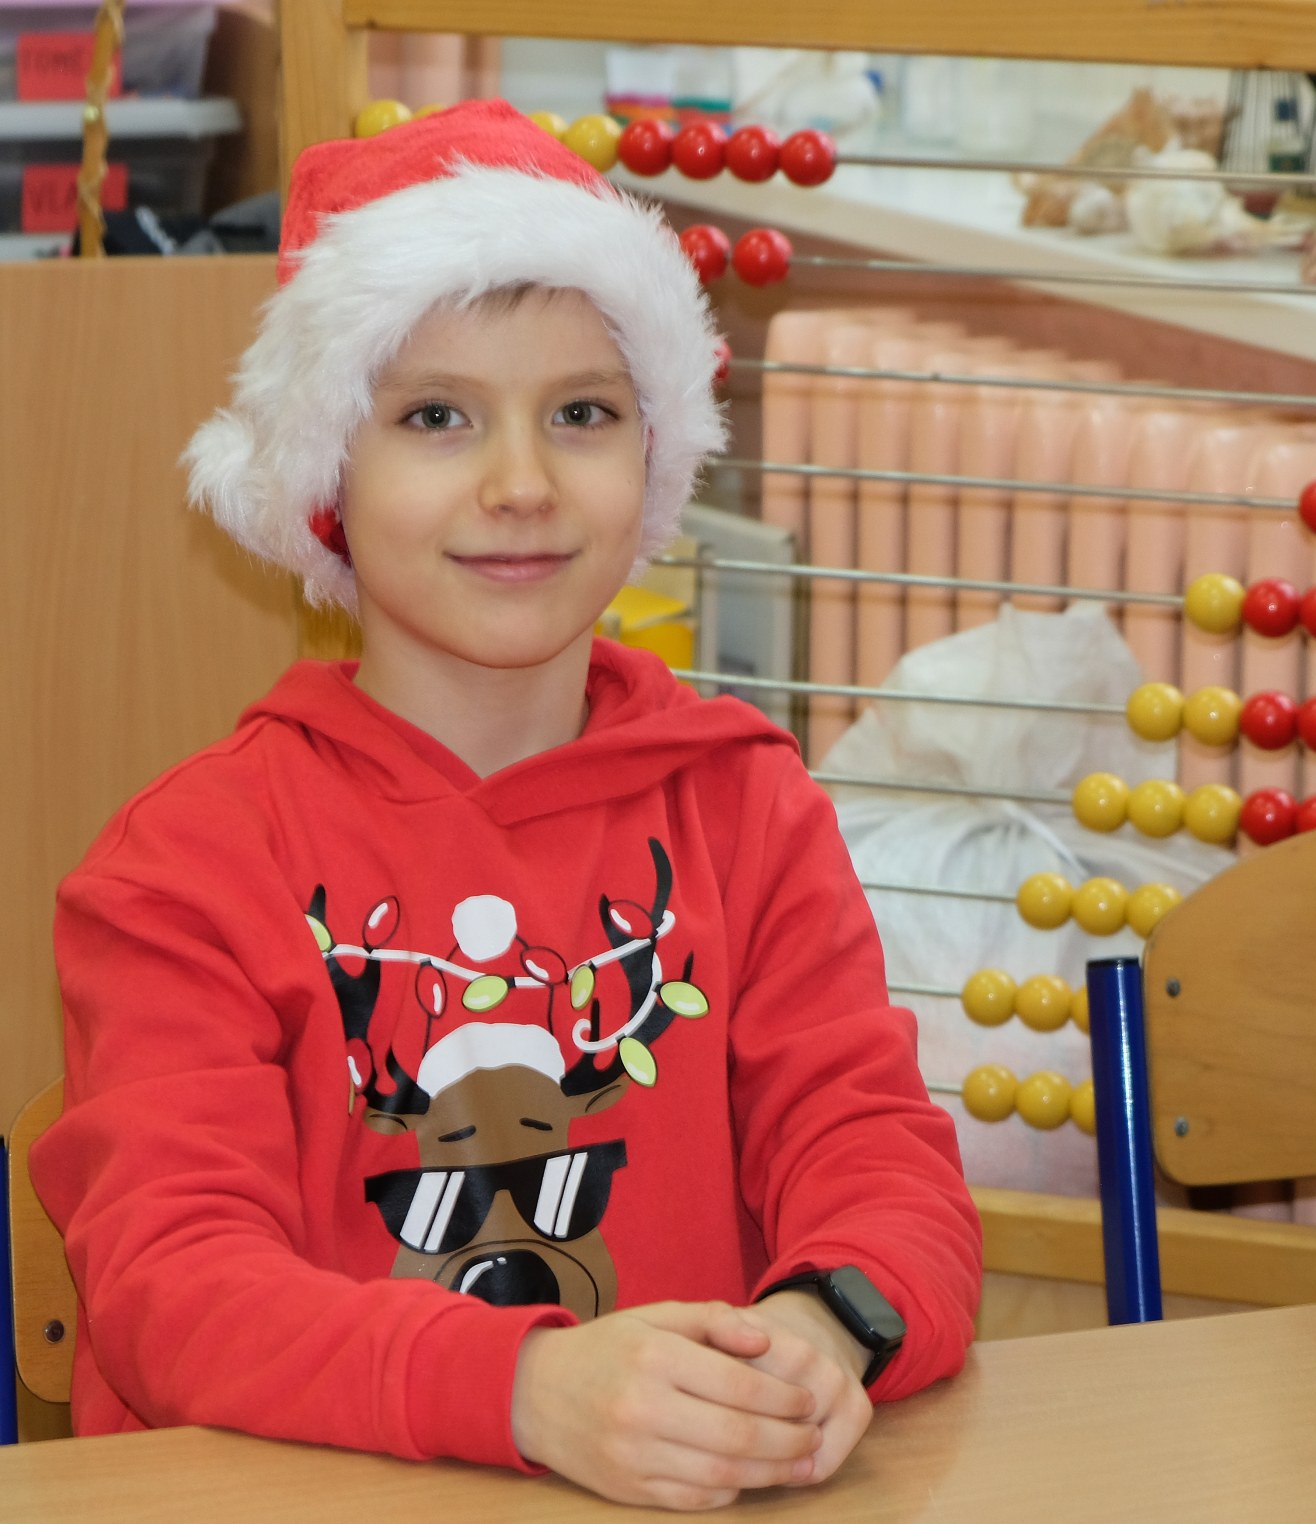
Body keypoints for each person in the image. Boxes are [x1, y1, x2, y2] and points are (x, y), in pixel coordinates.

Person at [31, 103, 981, 1509]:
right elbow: (173, 1292)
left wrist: (815, 1332)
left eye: (581, 414)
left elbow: (879, 1161)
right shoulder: (184, 866)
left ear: (653, 457)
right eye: (437, 417)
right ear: (325, 475)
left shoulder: (747, 807)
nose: (522, 484)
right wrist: (530, 1389)